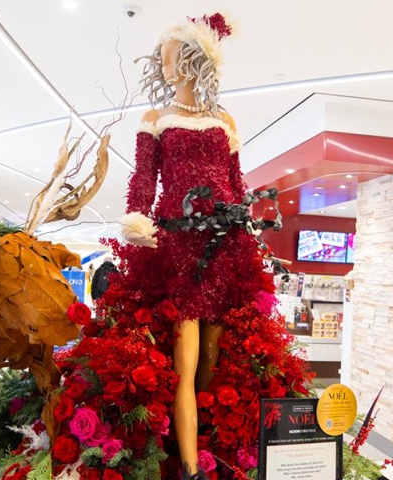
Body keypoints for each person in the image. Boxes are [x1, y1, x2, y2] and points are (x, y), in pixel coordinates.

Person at [118, 13, 268, 479]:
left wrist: (246, 221)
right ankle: (188, 468)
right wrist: (138, 216)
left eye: (171, 56)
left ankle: (198, 439)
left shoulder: (225, 120)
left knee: (212, 355)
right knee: (185, 358)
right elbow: (145, 178)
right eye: (162, 58)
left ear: (192, 60)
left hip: (223, 245)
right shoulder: (155, 119)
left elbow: (236, 181)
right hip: (179, 243)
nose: (164, 66)